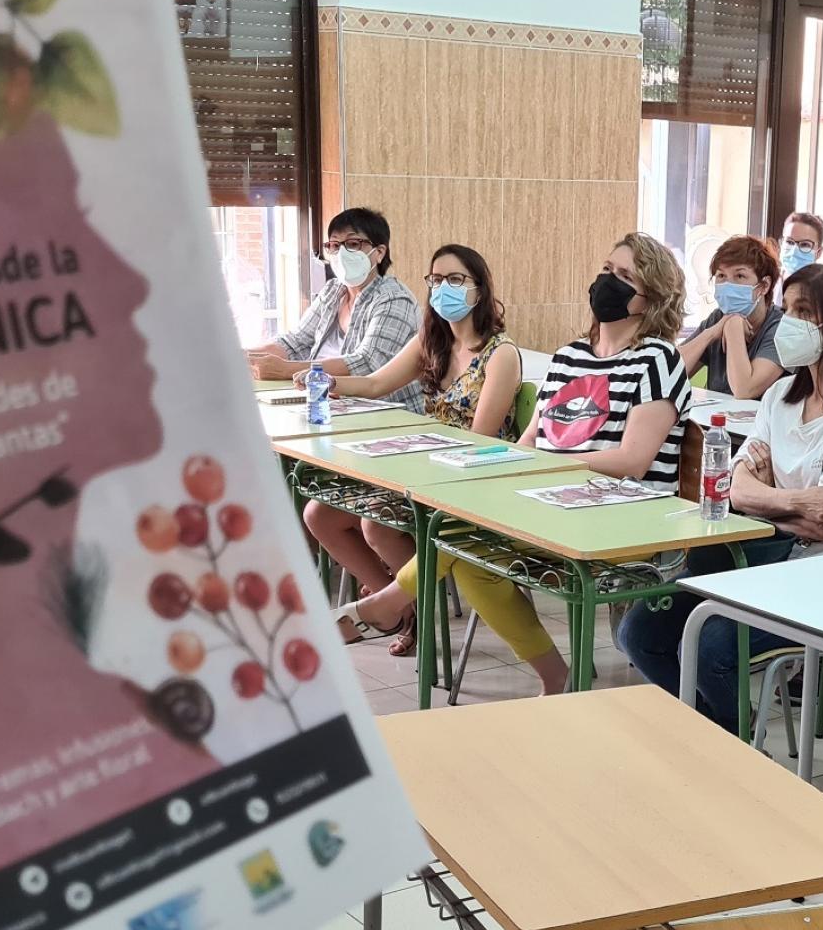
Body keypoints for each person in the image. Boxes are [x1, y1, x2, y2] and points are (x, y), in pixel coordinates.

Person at [333, 233, 692, 695]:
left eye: (625, 277)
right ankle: (555, 678)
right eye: (607, 269)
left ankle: (388, 604)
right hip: (554, 500)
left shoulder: (657, 359)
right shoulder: (569, 357)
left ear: (650, 299)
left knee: (456, 538)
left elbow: (633, 461)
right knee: (460, 540)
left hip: (622, 518)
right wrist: (500, 467)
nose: (608, 281)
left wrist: (544, 467)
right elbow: (528, 442)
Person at [621, 263, 823, 724]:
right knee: (640, 632)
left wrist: (765, 496)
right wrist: (793, 503)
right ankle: (715, 730)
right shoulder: (782, 396)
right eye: (787, 308)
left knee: (713, 646)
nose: (788, 321)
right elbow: (733, 487)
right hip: (763, 564)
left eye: (804, 311)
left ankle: (734, 750)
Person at [297, 245, 520, 656]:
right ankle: (404, 609)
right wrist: (326, 381)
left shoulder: (500, 354)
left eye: (455, 280)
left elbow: (480, 440)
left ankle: (397, 609)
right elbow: (375, 383)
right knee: (319, 514)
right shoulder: (431, 342)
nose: (442, 288)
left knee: (375, 525)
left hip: (471, 480)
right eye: (435, 280)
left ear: (480, 289)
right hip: (425, 469)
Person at [244, 207, 421, 407]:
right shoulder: (333, 291)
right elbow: (296, 342)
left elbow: (366, 363)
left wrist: (286, 370)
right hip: (332, 405)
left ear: (379, 253)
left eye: (353, 244)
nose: (342, 253)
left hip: (389, 416)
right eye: (335, 245)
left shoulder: (393, 298)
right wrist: (245, 357)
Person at [678, 235, 785, 399]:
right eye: (721, 276)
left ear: (764, 286)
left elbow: (744, 390)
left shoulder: (780, 327)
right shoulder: (718, 318)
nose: (728, 284)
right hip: (714, 421)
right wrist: (711, 333)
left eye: (740, 276)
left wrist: (733, 326)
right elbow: (669, 373)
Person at [779, 211, 823, 280]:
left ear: (819, 252)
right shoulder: (766, 283)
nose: (794, 250)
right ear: (781, 243)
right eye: (789, 242)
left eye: (805, 244)